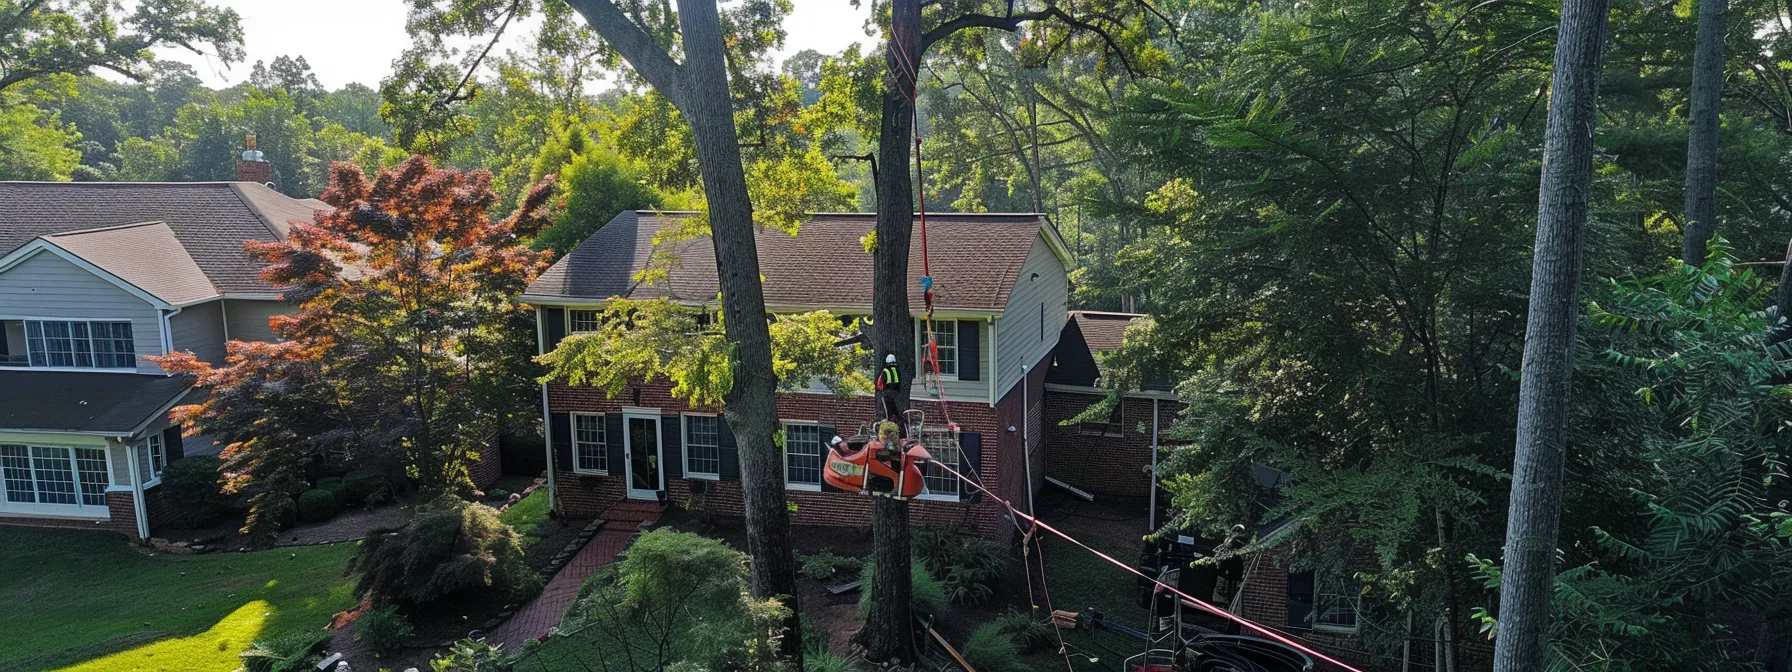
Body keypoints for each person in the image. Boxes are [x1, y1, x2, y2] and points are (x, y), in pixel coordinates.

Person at [874, 352, 903, 429]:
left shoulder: (885, 371)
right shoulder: (897, 370)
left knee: (887, 410)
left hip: (887, 393)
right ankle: (899, 421)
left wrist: (882, 390)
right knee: (895, 409)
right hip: (896, 393)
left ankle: (889, 423)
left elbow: (880, 383)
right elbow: (900, 381)